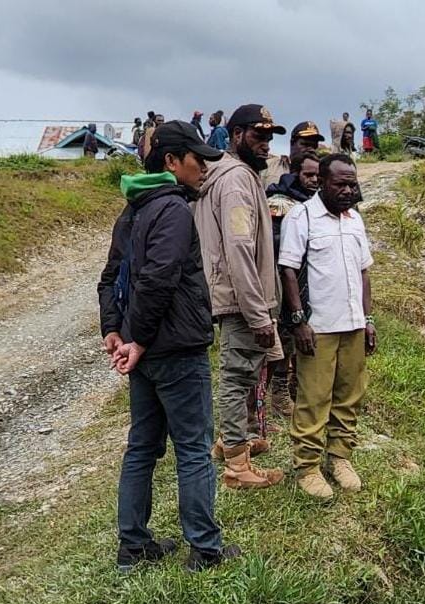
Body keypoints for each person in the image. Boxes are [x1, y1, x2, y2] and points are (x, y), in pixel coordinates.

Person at [96, 120, 240, 573]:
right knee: (194, 447)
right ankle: (205, 549)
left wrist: (113, 330)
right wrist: (132, 338)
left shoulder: (133, 208)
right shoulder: (173, 209)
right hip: (175, 349)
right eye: (198, 160)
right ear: (173, 162)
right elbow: (159, 279)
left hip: (146, 352)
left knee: (142, 446)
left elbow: (109, 280)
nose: (204, 168)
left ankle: (132, 547)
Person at [193, 103, 287, 490]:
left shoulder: (240, 175)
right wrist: (258, 312)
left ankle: (230, 441)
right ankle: (237, 466)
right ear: (234, 136)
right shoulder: (235, 180)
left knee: (246, 371)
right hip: (242, 300)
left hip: (242, 298)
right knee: (235, 377)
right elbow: (238, 249)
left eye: (268, 137)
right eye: (257, 135)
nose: (265, 144)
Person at [278, 153, 375, 499]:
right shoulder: (301, 217)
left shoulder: (355, 220)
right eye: (341, 184)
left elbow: (364, 272)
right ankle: (307, 466)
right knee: (314, 398)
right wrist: (299, 320)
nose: (349, 190)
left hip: (353, 325)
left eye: (353, 184)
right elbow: (288, 269)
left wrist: (368, 320)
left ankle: (340, 457)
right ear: (321, 181)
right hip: (318, 327)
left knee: (349, 394)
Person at [264, 151, 322, 420]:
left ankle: (299, 387)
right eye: (308, 174)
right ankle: (278, 392)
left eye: (317, 176)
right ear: (295, 173)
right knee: (285, 337)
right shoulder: (279, 202)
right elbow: (273, 245)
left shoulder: (320, 202)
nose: (313, 180)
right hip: (284, 277)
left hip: (313, 280)